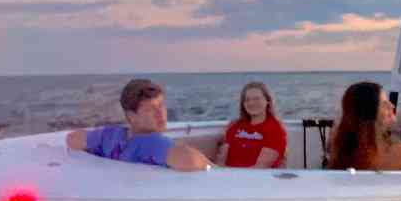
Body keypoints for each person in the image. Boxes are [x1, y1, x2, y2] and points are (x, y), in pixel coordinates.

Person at [65, 78, 211, 171]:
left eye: (161, 105)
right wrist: (211, 165)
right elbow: (191, 161)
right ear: (131, 116)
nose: (161, 114)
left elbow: (72, 139)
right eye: (150, 109)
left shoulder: (112, 135)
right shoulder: (152, 143)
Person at [327, 81, 401, 172]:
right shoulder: (399, 152)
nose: (392, 106)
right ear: (371, 115)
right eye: (385, 104)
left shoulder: (341, 148)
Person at [214, 81, 289, 168]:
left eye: (256, 99)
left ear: (267, 100)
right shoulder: (235, 126)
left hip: (254, 178)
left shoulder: (275, 130)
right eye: (247, 100)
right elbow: (221, 160)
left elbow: (260, 167)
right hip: (226, 175)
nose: (251, 103)